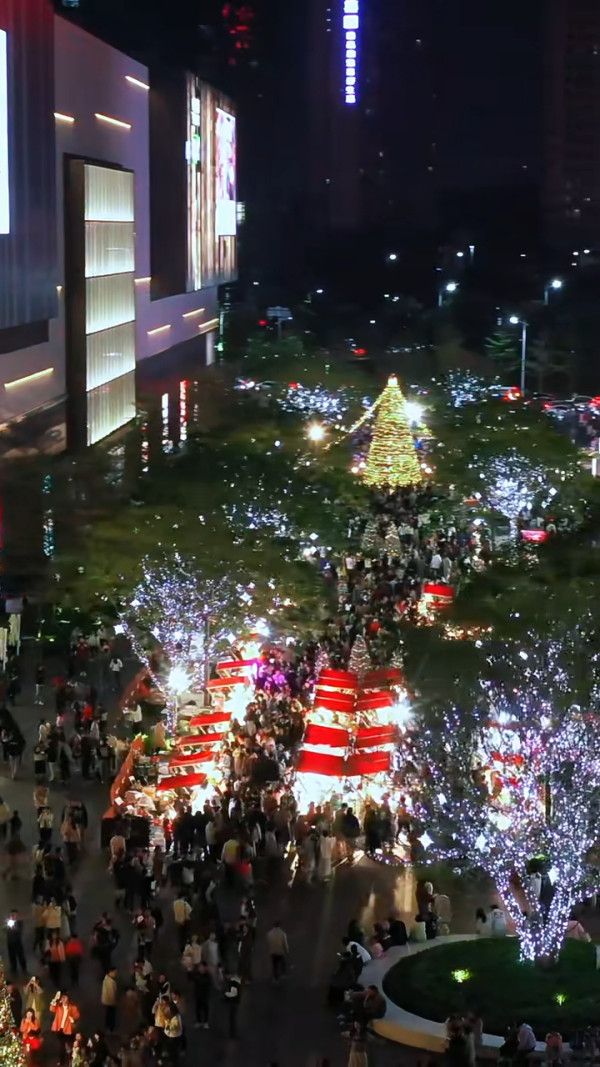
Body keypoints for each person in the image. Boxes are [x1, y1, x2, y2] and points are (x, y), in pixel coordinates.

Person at [50, 991, 80, 1060]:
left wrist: (72, 1019)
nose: (63, 999)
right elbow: (52, 1009)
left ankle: (70, 1053)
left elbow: (77, 1015)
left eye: (65, 997)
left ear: (68, 998)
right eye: (62, 998)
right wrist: (55, 999)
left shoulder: (72, 1007)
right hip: (60, 1029)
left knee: (69, 1043)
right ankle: (62, 1059)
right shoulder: (59, 1007)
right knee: (61, 1045)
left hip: (68, 1029)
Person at [5, 909, 27, 974]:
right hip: (10, 941)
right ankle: (13, 967)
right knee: (11, 955)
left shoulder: (19, 922)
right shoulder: (8, 922)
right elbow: (5, 930)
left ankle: (23, 967)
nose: (13, 916)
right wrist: (8, 927)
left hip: (17, 942)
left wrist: (14, 928)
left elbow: (20, 931)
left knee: (20, 955)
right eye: (11, 915)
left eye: (14, 915)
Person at [192, 960, 211, 1028]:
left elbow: (206, 983)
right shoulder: (196, 975)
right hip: (198, 995)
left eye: (202, 967)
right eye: (200, 967)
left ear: (205, 968)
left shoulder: (207, 976)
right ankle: (199, 1022)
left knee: (205, 1009)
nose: (201, 968)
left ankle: (205, 1022)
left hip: (205, 995)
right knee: (198, 1009)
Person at [223, 973, 241, 1039]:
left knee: (232, 1016)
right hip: (232, 1001)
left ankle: (232, 1033)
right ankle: (232, 1033)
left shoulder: (235, 982)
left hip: (233, 1001)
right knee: (231, 1017)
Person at [101, 967, 118, 1032]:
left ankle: (108, 1026)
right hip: (110, 1002)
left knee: (108, 1014)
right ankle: (110, 1028)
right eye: (114, 972)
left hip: (107, 1001)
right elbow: (111, 994)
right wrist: (114, 1002)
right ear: (110, 972)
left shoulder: (107, 979)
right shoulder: (110, 982)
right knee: (111, 1015)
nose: (115, 974)